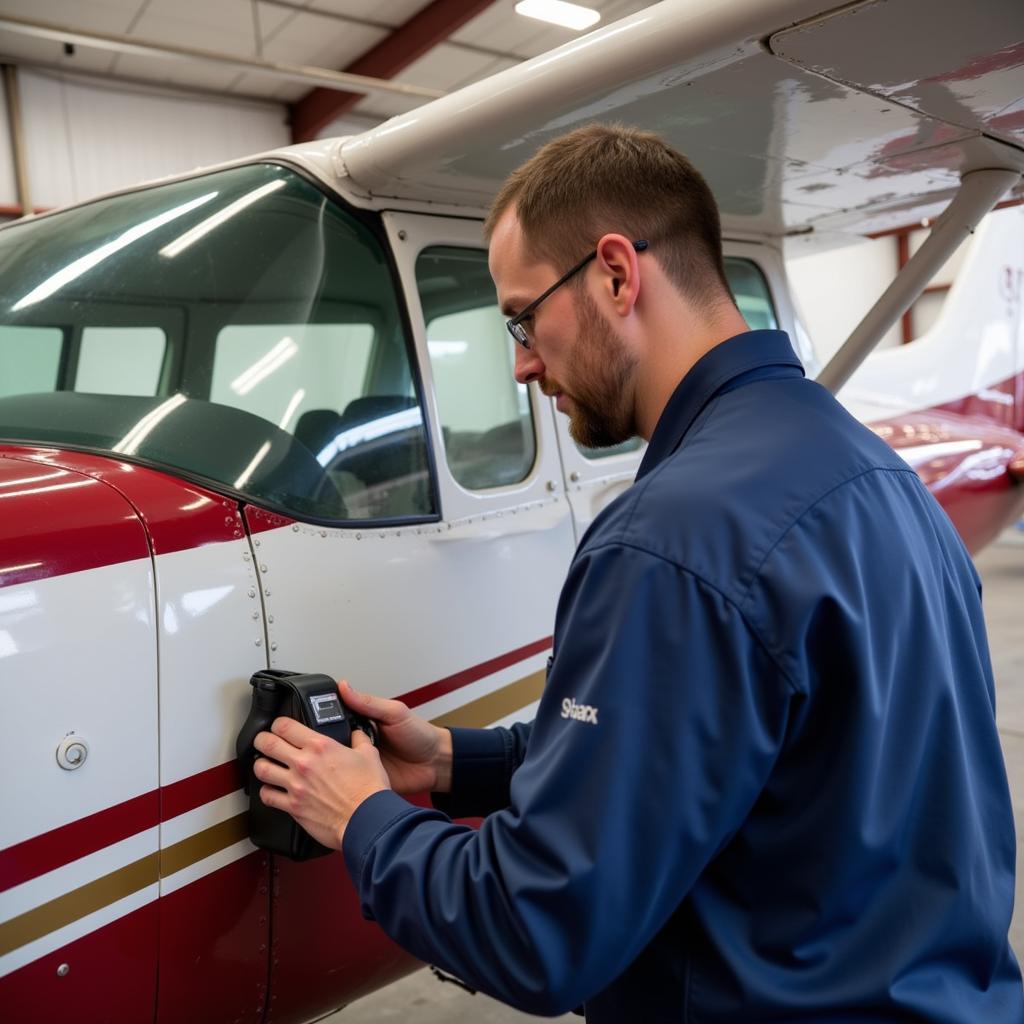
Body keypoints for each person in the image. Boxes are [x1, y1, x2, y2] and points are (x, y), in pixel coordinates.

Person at [253, 124, 1023, 1021]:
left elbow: (537, 932)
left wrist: (362, 818)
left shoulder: (668, 542)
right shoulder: (883, 478)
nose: (522, 361)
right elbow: (752, 755)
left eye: (522, 317)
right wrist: (461, 762)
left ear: (617, 273)